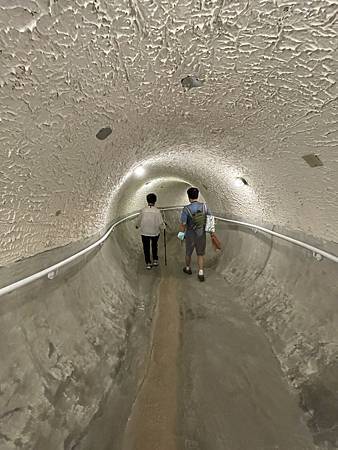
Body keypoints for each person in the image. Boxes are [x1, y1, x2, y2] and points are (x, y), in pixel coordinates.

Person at [178, 187, 212, 282]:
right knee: (200, 254)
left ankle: (188, 268)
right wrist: (211, 233)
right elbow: (210, 219)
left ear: (189, 197)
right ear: (198, 196)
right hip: (201, 235)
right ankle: (201, 272)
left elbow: (183, 224)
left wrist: (180, 237)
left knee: (188, 253)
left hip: (190, 235)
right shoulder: (205, 206)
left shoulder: (186, 209)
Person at [136, 193, 165, 270]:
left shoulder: (143, 210)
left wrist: (137, 225)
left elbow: (139, 220)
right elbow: (160, 222)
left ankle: (148, 263)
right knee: (154, 245)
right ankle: (155, 260)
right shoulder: (157, 211)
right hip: (155, 232)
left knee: (146, 247)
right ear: (155, 201)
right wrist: (163, 227)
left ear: (147, 200)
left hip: (144, 232)